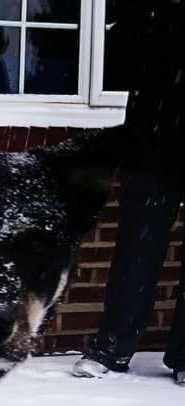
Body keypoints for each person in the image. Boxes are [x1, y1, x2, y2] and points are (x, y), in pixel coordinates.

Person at [72, 0, 185, 384]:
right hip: (150, 145)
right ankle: (112, 347)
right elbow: (117, 58)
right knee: (137, 249)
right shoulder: (148, 15)